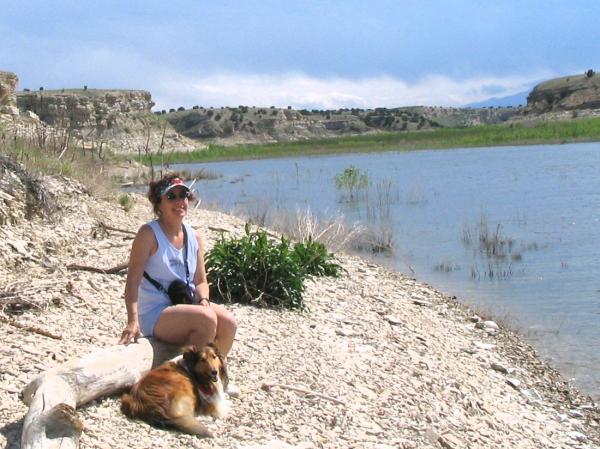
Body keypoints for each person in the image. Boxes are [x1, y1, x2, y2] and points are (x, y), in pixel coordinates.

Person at [118, 173, 237, 358]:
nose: (179, 201)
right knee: (206, 319)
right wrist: (132, 321)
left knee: (229, 322)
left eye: (183, 195)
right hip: (155, 312)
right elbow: (132, 281)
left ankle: (217, 376)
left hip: (186, 302)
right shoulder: (148, 234)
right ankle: (198, 380)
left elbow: (200, 281)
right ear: (159, 204)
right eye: (171, 196)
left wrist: (203, 301)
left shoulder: (194, 236)